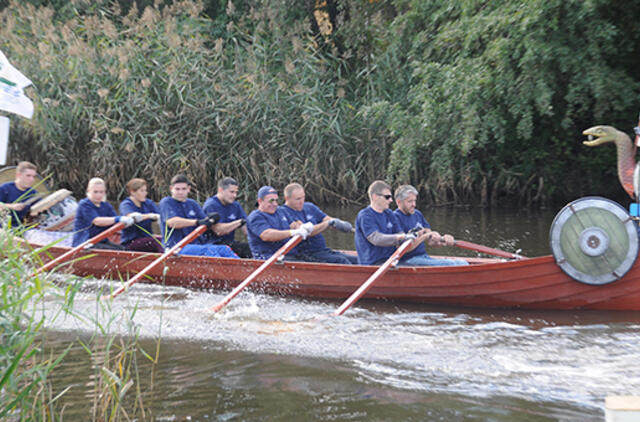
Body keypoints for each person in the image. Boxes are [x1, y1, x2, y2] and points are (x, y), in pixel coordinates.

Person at [158, 174, 238, 258]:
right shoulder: (166, 202)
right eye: (177, 189)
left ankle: (244, 269)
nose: (180, 192)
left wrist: (212, 219)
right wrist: (197, 222)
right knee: (209, 251)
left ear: (189, 189)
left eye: (184, 189)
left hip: (197, 245)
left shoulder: (193, 204)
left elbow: (205, 221)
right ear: (171, 189)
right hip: (176, 247)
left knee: (224, 249)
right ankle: (226, 270)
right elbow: (172, 222)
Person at [279, 183, 357, 264]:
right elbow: (307, 232)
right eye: (298, 199)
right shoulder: (283, 213)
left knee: (358, 260)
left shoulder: (309, 207)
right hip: (307, 254)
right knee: (342, 261)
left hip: (322, 251)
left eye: (303, 197)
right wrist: (327, 223)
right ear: (287, 198)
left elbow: (327, 219)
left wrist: (340, 223)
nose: (301, 201)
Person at [393, 184, 468, 266]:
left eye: (415, 200)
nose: (414, 204)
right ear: (399, 202)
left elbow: (431, 241)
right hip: (406, 260)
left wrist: (443, 241)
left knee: (462, 262)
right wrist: (424, 236)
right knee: (461, 264)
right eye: (410, 201)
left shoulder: (417, 214)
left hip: (423, 257)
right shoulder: (394, 218)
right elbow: (402, 249)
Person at [246, 185, 313, 260]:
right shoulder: (255, 217)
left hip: (290, 255)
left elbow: (294, 225)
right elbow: (266, 235)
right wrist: (292, 233)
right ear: (260, 201)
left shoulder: (281, 211)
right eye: (271, 201)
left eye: (276, 200)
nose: (275, 204)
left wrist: (303, 227)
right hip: (269, 258)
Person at [72, 177, 133, 249]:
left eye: (101, 192)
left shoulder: (106, 206)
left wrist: (129, 219)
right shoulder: (84, 204)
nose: (98, 195)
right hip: (85, 242)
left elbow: (116, 223)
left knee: (124, 249)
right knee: (114, 251)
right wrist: (119, 219)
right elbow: (97, 221)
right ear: (89, 191)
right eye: (95, 192)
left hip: (101, 241)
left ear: (105, 192)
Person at [202, 177, 251, 258]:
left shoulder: (236, 205)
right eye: (231, 192)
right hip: (213, 245)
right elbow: (219, 231)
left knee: (253, 248)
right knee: (245, 249)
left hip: (230, 243)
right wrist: (239, 222)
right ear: (220, 190)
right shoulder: (211, 205)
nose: (234, 195)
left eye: (236, 192)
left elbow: (247, 229)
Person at [119, 178, 164, 253]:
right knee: (157, 242)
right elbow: (131, 216)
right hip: (131, 242)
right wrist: (149, 216)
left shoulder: (148, 203)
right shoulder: (126, 204)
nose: (145, 193)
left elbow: (160, 215)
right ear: (133, 192)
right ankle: (167, 261)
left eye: (145, 190)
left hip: (147, 239)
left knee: (165, 240)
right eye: (142, 191)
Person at [0, 161, 40, 228]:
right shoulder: (5, 188)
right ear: (18, 175)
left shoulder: (32, 193)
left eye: (33, 176)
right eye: (28, 176)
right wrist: (11, 206)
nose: (32, 179)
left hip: (22, 228)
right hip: (3, 228)